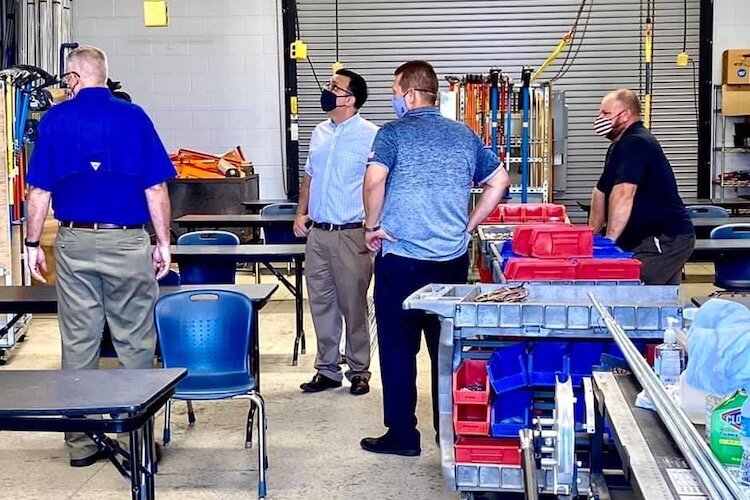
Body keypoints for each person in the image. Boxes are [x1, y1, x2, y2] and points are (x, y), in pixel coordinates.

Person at [24, 45, 175, 467]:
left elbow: (38, 192)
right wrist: (162, 243)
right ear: (105, 76)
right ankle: (138, 439)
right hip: (127, 243)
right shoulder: (134, 117)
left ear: (73, 77)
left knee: (78, 343)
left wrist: (33, 245)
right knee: (135, 343)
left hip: (74, 243)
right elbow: (156, 189)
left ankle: (81, 443)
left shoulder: (56, 120)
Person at [360, 60, 510, 456]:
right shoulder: (463, 135)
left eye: (395, 90)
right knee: (446, 351)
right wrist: (469, 223)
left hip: (402, 260)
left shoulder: (392, 134)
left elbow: (375, 179)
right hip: (450, 261)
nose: (394, 98)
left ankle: (403, 437)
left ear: (409, 93)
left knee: (396, 349)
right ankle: (450, 435)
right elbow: (500, 181)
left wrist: (371, 225)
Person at [294, 69, 378, 396]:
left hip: (351, 233)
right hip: (318, 233)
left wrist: (374, 226)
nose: (328, 91)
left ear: (351, 98)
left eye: (335, 87)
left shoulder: (372, 135)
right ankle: (327, 368)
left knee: (354, 304)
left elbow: (378, 184)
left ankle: (359, 370)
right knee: (321, 303)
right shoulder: (319, 132)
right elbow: (309, 177)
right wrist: (301, 212)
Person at [588, 89, 695, 285]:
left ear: (626, 115)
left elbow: (623, 193)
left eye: (606, 114)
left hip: (663, 239)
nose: (599, 119)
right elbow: (601, 192)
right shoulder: (618, 146)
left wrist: (610, 242)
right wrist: (590, 237)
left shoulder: (636, 142)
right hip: (647, 239)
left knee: (632, 290)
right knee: (660, 301)